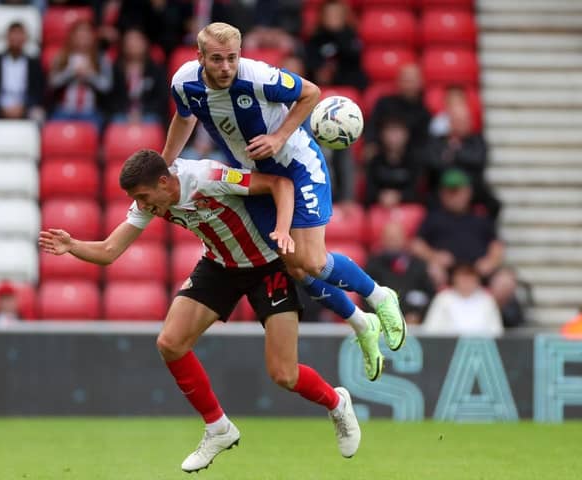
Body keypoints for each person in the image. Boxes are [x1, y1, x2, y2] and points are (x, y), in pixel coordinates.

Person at [39, 149, 373, 472]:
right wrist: (72, 246)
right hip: (220, 266)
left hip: (268, 266)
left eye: (143, 197)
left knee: (284, 374)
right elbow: (110, 251)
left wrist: (283, 231)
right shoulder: (152, 200)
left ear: (165, 183)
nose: (141, 206)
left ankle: (336, 402)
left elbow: (279, 184)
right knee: (170, 343)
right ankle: (218, 428)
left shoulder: (208, 177)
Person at [161, 22, 406, 359]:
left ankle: (379, 296)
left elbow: (311, 93)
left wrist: (278, 138)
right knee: (292, 266)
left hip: (298, 167)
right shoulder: (184, 83)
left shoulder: (258, 76)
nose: (226, 67)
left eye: (232, 58)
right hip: (257, 180)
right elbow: (184, 117)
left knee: (311, 259)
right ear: (199, 56)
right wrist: (165, 162)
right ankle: (362, 323)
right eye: (217, 59)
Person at [411, 169, 504, 288]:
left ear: (468, 192)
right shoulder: (433, 218)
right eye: (449, 192)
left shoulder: (480, 217)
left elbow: (496, 245)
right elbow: (416, 244)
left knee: (504, 280)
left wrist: (490, 261)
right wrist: (433, 256)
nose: (453, 197)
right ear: (441, 193)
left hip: (478, 274)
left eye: (457, 192)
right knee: (432, 271)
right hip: (446, 274)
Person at [365, 222, 435, 325]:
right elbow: (365, 296)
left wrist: (419, 315)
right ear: (382, 240)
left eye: (396, 238)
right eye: (389, 238)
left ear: (404, 239)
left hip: (415, 327)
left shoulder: (418, 265)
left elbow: (430, 295)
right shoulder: (373, 265)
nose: (392, 242)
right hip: (382, 325)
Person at [48, 20, 112, 130]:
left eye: (86, 35)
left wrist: (90, 75)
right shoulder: (62, 56)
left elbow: (107, 86)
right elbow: (53, 82)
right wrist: (71, 72)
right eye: (79, 35)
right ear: (72, 37)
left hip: (90, 111)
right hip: (65, 110)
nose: (82, 38)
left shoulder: (101, 58)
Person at [0, 22, 44, 122]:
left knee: (38, 115)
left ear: (25, 38)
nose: (16, 38)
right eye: (13, 34)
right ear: (7, 37)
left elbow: (38, 92)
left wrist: (23, 107)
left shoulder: (34, 65)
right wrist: (1, 108)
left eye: (19, 34)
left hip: (25, 106)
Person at [364, 63, 430, 161]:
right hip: (381, 154)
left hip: (410, 158)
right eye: (405, 80)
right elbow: (372, 128)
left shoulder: (424, 113)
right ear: (398, 82)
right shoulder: (384, 104)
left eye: (412, 81)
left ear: (421, 82)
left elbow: (422, 142)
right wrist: (372, 144)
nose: (409, 85)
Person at [423, 263, 503, 337]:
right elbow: (431, 328)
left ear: (477, 280)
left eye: (470, 277)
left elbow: (496, 331)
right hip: (447, 346)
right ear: (454, 279)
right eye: (462, 277)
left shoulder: (487, 300)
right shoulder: (443, 298)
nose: (466, 281)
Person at [108, 28, 168, 124]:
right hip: (122, 114)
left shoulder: (156, 70)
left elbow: (161, 99)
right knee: (116, 121)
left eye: (137, 40)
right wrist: (127, 112)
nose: (133, 44)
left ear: (145, 43)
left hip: (149, 114)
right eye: (129, 41)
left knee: (151, 121)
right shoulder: (116, 70)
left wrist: (142, 112)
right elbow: (112, 98)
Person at [305, 0, 367, 90]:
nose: (333, 18)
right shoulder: (315, 39)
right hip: (321, 88)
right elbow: (311, 64)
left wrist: (339, 35)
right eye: (330, 14)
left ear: (344, 16)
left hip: (349, 87)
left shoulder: (352, 37)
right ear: (322, 16)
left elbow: (354, 58)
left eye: (337, 15)